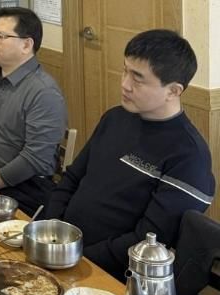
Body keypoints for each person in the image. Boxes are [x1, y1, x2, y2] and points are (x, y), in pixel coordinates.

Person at [44, 29, 215, 281]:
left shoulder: (189, 156)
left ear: (173, 91)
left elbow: (147, 241)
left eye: (138, 78)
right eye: (125, 71)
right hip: (61, 248)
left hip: (110, 273)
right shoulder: (115, 118)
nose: (124, 84)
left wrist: (78, 259)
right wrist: (49, 231)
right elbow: (71, 179)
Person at [0, 6, 67, 216]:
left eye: (1, 36)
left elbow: (35, 158)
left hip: (23, 188)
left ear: (26, 45)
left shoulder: (44, 92)